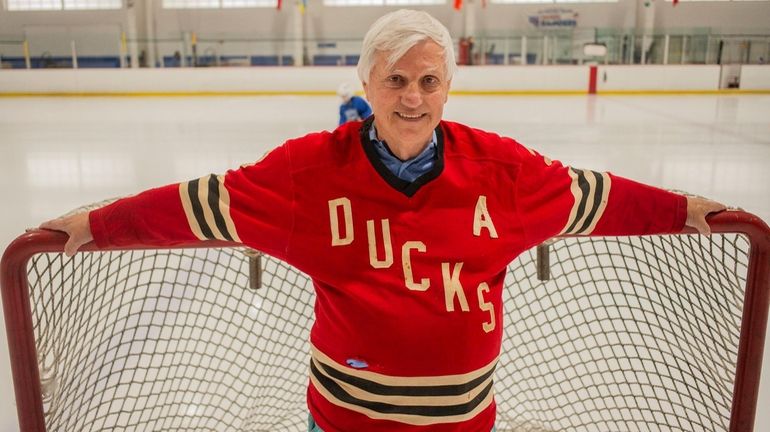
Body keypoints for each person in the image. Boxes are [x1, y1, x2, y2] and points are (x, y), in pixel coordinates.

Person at [41, 9, 725, 432]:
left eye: (428, 80)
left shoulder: (503, 172)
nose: (412, 96)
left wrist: (680, 210)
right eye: (395, 80)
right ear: (366, 86)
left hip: (463, 427)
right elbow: (201, 204)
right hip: (343, 424)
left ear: (448, 88)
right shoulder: (308, 174)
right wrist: (98, 223)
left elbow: (594, 197)